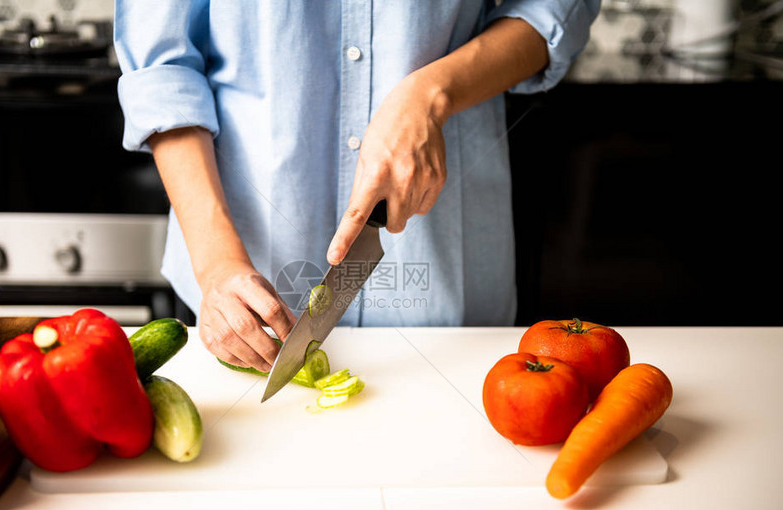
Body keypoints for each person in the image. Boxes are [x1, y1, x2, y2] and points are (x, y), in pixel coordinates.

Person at [114, 1, 599, 373]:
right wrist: (218, 262)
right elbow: (161, 65)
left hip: (447, 275)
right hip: (240, 278)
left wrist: (434, 92)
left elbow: (554, 9)